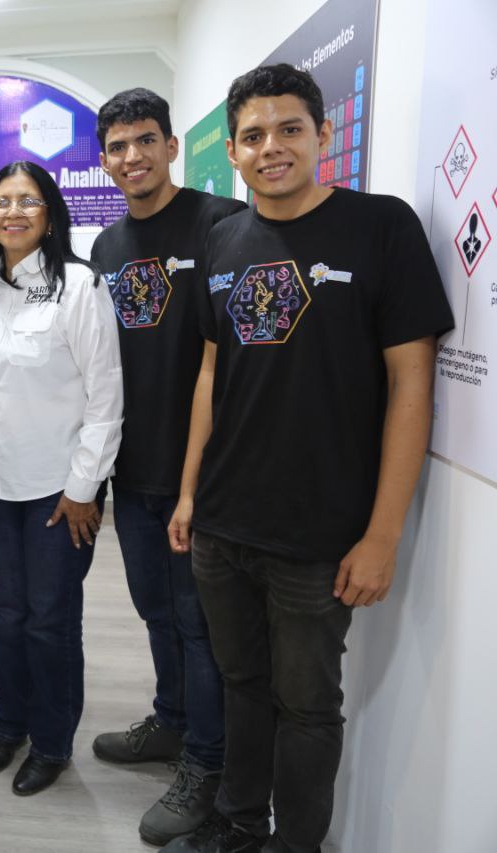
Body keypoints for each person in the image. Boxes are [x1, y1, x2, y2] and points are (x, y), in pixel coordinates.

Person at [163, 65, 453, 853]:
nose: (272, 148)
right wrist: (189, 493)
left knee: (307, 707)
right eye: (253, 136)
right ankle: (238, 823)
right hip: (223, 523)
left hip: (318, 534)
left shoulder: (380, 227)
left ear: (323, 134)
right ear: (232, 151)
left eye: (289, 129)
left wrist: (383, 535)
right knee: (241, 683)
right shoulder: (223, 238)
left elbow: (412, 381)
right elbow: (212, 373)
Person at [88, 88, 246, 845]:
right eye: (118, 147)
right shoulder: (106, 247)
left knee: (198, 624)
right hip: (133, 468)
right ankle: (173, 720)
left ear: (172, 146)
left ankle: (207, 764)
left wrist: (204, 476)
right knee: (156, 611)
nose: (133, 157)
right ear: (104, 160)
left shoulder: (222, 225)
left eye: (145, 140)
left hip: (201, 476)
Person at [0, 160, 123, 796]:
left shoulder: (78, 287)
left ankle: (53, 742)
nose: (13, 212)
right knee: (8, 615)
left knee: (49, 619)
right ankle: (10, 722)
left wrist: (84, 489)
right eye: (2, 202)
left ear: (50, 215)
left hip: (59, 491)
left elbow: (106, 395)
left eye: (27, 201)